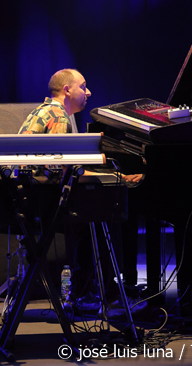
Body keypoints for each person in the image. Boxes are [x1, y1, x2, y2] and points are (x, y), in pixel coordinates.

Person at [18, 68, 141, 313]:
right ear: (67, 90)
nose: (89, 92)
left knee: (94, 214)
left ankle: (85, 292)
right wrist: (114, 176)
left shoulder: (42, 110)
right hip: (43, 202)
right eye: (83, 87)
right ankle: (105, 296)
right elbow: (60, 171)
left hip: (29, 198)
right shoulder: (59, 116)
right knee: (107, 214)